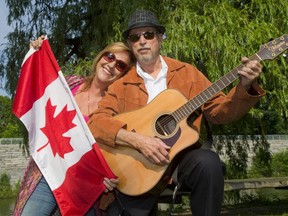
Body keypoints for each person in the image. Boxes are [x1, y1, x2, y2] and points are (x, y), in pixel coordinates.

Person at [88, 9, 265, 216]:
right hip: (138, 167)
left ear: (160, 38)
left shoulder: (187, 73)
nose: (142, 41)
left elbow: (219, 113)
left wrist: (245, 85)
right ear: (130, 44)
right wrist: (138, 141)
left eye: (149, 34)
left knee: (208, 163)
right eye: (135, 37)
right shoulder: (121, 84)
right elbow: (96, 124)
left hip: (180, 162)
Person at [13, 35, 135, 216]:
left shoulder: (115, 108)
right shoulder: (69, 84)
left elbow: (116, 153)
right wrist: (36, 54)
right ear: (101, 57)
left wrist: (111, 177)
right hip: (47, 174)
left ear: (123, 75)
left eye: (120, 65)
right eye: (109, 56)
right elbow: (33, 89)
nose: (111, 65)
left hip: (83, 186)